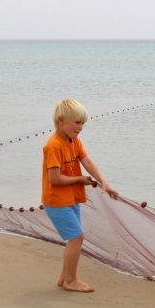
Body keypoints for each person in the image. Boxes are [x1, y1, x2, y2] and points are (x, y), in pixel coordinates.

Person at [41, 98, 118, 293]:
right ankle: (71, 281)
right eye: (77, 122)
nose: (81, 127)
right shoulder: (53, 146)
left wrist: (104, 181)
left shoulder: (74, 141)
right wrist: (79, 180)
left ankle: (63, 278)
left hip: (71, 198)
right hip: (56, 201)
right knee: (76, 238)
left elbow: (87, 161)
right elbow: (55, 179)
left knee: (74, 238)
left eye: (83, 123)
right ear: (60, 120)